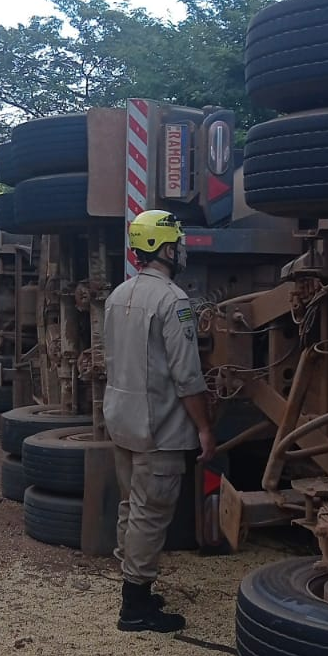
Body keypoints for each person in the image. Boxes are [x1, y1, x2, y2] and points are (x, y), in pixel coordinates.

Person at [103, 210, 216, 633]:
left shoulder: (118, 295)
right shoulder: (174, 301)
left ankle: (136, 586)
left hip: (122, 419)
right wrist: (204, 428)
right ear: (165, 248)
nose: (182, 250)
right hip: (160, 428)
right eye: (178, 243)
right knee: (151, 514)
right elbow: (187, 375)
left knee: (131, 506)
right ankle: (134, 607)